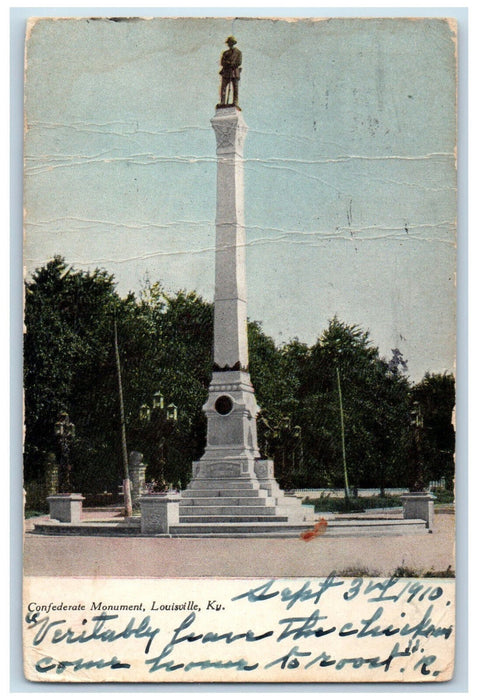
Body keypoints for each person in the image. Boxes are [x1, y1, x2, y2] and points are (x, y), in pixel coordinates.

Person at [219, 36, 242, 107]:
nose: (229, 44)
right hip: (226, 71)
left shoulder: (238, 52)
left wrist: (232, 64)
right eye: (228, 43)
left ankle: (235, 102)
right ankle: (222, 102)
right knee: (223, 87)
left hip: (234, 71)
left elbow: (239, 62)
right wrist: (228, 63)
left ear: (233, 43)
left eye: (231, 42)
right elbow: (222, 62)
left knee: (235, 87)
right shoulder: (225, 53)